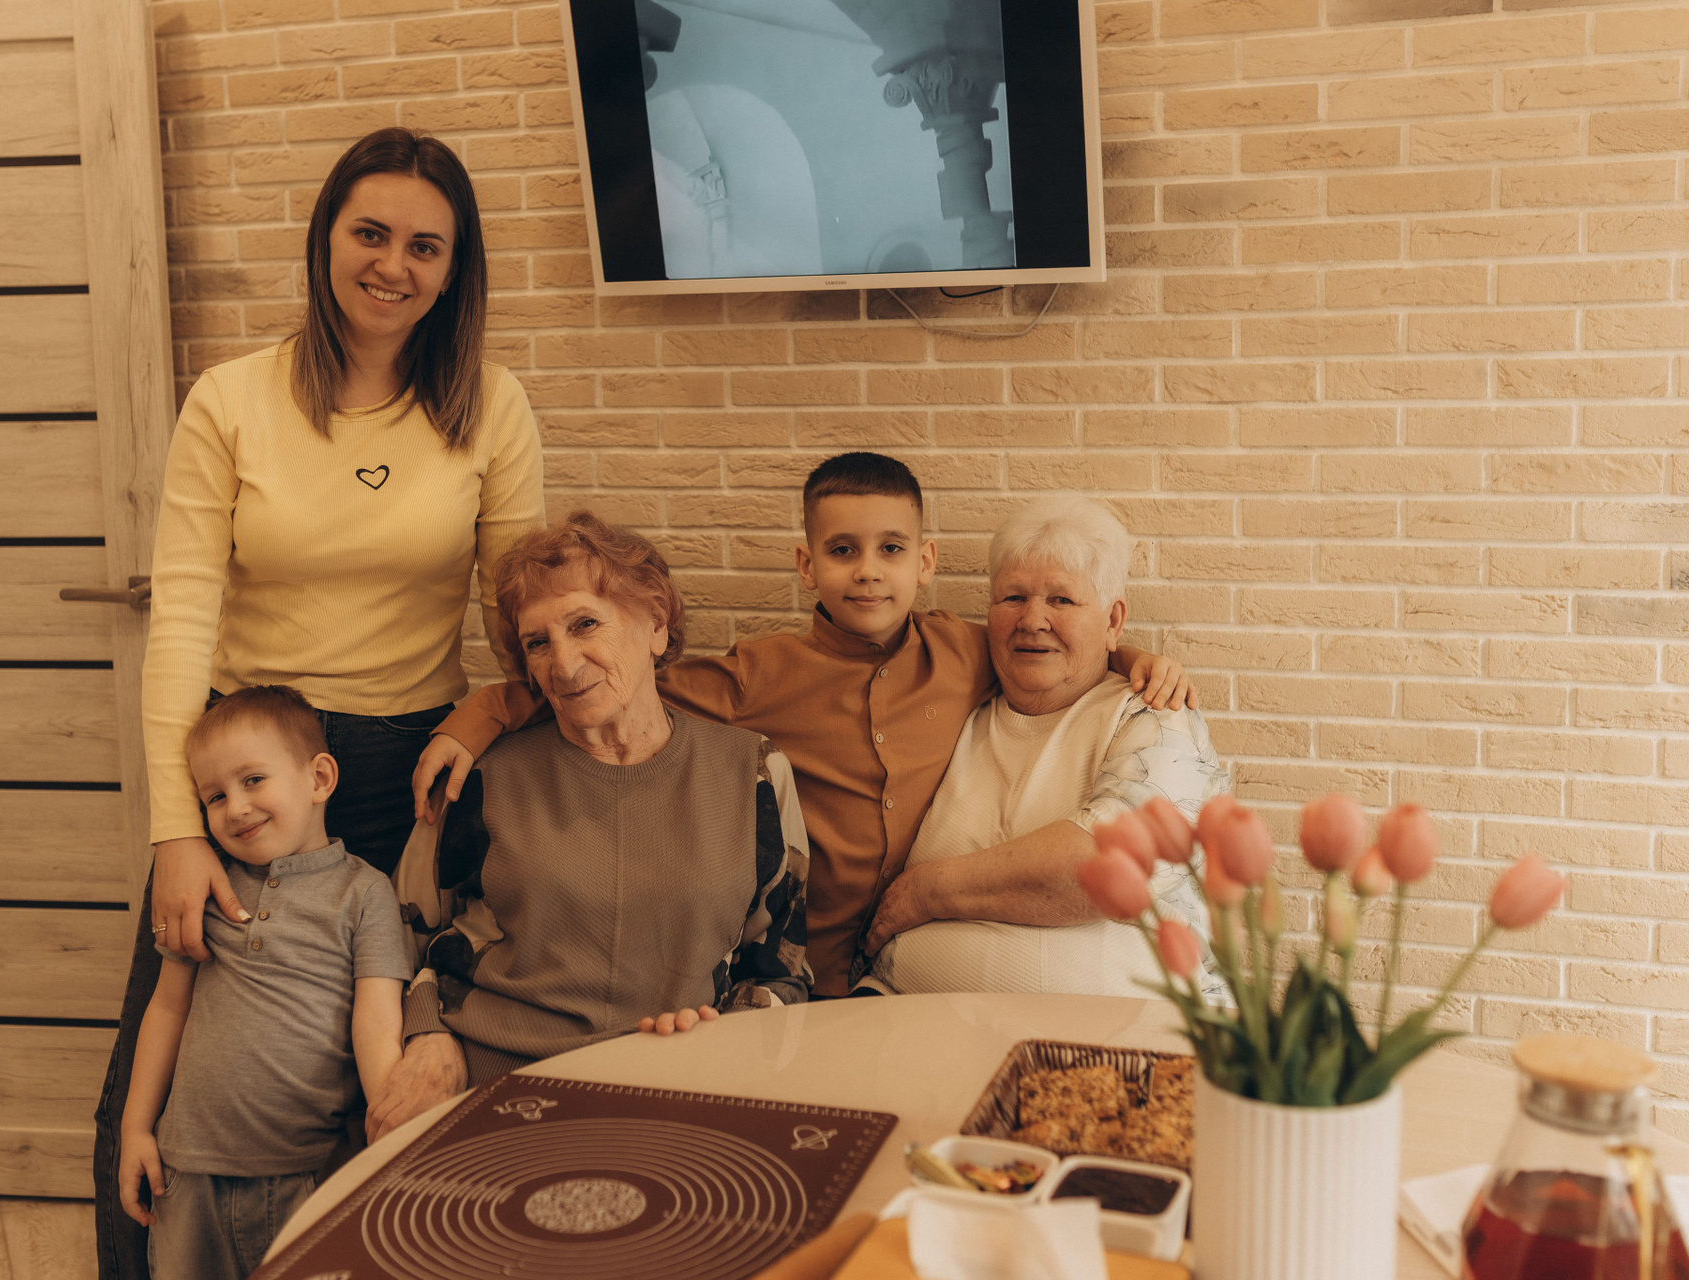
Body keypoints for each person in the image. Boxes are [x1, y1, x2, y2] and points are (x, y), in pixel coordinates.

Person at [96, 127, 543, 1278]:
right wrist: (177, 831)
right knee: (166, 1077)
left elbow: (525, 617)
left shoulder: (490, 406)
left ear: (455, 268)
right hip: (254, 766)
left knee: (369, 1086)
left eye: (425, 246)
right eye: (371, 233)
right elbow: (180, 621)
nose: (394, 264)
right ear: (326, 238)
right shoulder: (231, 399)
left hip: (411, 774)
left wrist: (481, 717)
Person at [414, 453, 1194, 997]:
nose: (867, 570)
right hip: (806, 971)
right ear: (806, 564)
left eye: (890, 549)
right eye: (843, 550)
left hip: (898, 966)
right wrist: (482, 714)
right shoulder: (760, 674)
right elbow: (614, 684)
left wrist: (1134, 659)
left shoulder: (964, 651)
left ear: (925, 563)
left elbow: (1053, 648)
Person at [380, 512, 813, 1120]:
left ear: (656, 625)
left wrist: (724, 1045)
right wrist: (427, 1034)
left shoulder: (755, 774)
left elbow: (781, 968)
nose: (562, 664)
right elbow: (399, 943)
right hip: (492, 1079)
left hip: (674, 1085)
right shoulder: (479, 776)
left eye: (585, 624)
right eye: (537, 643)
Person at [860, 493, 1227, 997]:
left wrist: (928, 892)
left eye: (1062, 600)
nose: (1032, 620)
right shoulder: (957, 705)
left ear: (1113, 621)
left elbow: (1111, 867)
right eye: (1013, 598)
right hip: (904, 1017)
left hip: (1121, 1036)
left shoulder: (1154, 716)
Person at [117, 686, 411, 1280]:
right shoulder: (207, 886)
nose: (235, 808)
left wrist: (389, 1141)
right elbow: (167, 1007)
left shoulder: (364, 893)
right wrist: (135, 1127)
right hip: (186, 1175)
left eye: (253, 780)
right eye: (215, 796)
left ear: (319, 778)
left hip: (305, 1174)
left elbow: (378, 1023)